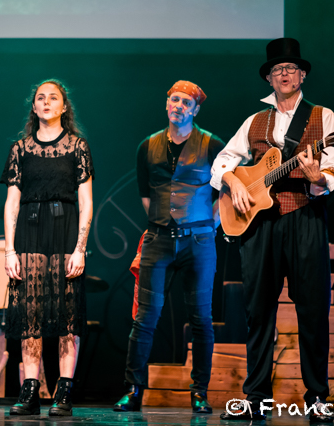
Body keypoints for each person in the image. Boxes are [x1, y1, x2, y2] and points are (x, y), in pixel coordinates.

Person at [212, 38, 334, 423]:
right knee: (258, 311)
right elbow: (222, 162)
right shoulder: (254, 121)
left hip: (304, 217)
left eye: (290, 69)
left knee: (313, 311)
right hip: (260, 224)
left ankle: (317, 397)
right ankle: (255, 398)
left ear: (302, 75)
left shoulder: (324, 117)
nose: (283, 74)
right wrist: (234, 183)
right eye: (276, 70)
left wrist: (316, 174)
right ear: (269, 78)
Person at [113, 80, 224, 415]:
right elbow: (146, 195)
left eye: (186, 102)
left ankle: (199, 392)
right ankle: (133, 390)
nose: (178, 105)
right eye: (174, 99)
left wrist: (208, 225)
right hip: (158, 240)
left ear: (196, 109)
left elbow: (224, 193)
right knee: (145, 318)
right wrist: (163, 223)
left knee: (201, 318)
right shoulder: (147, 146)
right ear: (166, 104)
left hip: (200, 240)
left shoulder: (212, 144)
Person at [2, 79, 93, 417]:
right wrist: (10, 251)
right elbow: (12, 202)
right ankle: (30, 391)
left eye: (53, 97)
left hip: (65, 230)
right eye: (40, 97)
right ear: (34, 106)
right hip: (30, 233)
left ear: (63, 107)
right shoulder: (20, 149)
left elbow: (86, 200)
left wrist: (80, 247)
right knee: (31, 313)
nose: (46, 102)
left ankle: (64, 391)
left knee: (67, 313)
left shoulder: (77, 147)